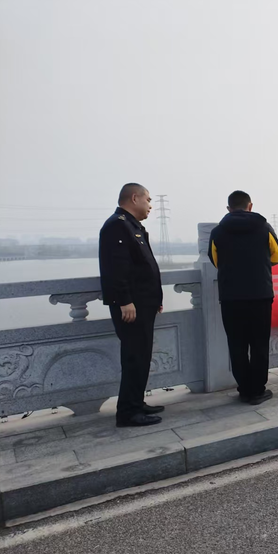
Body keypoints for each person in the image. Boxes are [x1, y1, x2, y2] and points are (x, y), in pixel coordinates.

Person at [99, 183, 165, 427]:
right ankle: (128, 413)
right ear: (134, 198)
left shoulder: (132, 226)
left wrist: (156, 298)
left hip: (143, 304)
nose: (150, 206)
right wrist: (124, 300)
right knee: (134, 357)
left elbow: (143, 267)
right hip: (131, 306)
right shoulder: (117, 225)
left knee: (141, 356)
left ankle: (136, 403)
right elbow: (116, 268)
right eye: (148, 200)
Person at [208, 190, 278, 405]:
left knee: (237, 344)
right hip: (260, 295)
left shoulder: (217, 232)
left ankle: (244, 389)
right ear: (250, 206)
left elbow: (215, 260)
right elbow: (277, 257)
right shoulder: (264, 227)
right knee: (259, 344)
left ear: (229, 208)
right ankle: (257, 391)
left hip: (231, 298)